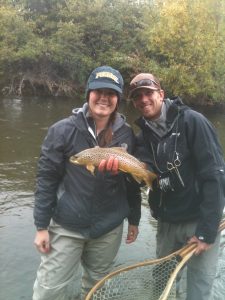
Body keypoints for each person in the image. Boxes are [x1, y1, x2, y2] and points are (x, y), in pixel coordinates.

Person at [101, 72, 225, 300]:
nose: (143, 100)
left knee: (199, 287)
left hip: (199, 219)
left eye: (148, 93)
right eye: (137, 96)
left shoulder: (193, 121)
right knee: (161, 281)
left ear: (161, 94)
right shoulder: (142, 136)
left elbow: (215, 175)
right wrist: (126, 172)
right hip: (167, 222)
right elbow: (143, 176)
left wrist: (207, 231)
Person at [32, 66, 141, 300]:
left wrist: (134, 219)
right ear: (88, 94)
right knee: (50, 290)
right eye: (98, 91)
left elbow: (131, 184)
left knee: (97, 287)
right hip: (67, 225)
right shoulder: (62, 131)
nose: (104, 97)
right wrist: (41, 226)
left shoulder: (127, 135)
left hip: (108, 228)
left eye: (111, 93)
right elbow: (46, 179)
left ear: (118, 99)